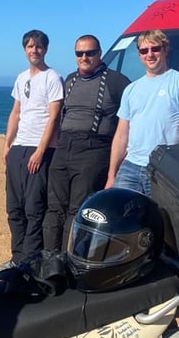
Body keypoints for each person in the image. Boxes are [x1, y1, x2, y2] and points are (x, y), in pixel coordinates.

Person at [43, 34, 130, 252]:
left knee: (78, 208)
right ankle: (49, 259)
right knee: (54, 208)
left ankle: (69, 259)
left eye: (90, 53)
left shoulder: (116, 81)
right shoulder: (70, 79)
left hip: (94, 148)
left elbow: (131, 115)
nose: (84, 57)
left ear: (99, 54)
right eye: (80, 53)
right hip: (64, 147)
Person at [0, 29, 64, 270]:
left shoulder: (52, 77)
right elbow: (16, 112)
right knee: (14, 207)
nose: (34, 50)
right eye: (30, 46)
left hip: (39, 148)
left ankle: (29, 260)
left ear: (45, 49)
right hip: (18, 148)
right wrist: (7, 144)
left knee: (34, 208)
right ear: (25, 49)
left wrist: (40, 150)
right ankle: (16, 257)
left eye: (38, 46)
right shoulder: (21, 77)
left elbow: (54, 117)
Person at [106, 29, 179, 196]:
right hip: (131, 166)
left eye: (155, 49)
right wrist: (112, 175)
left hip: (165, 166)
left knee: (161, 218)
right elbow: (121, 135)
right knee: (122, 215)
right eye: (144, 50)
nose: (149, 54)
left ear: (165, 49)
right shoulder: (131, 89)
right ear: (139, 55)